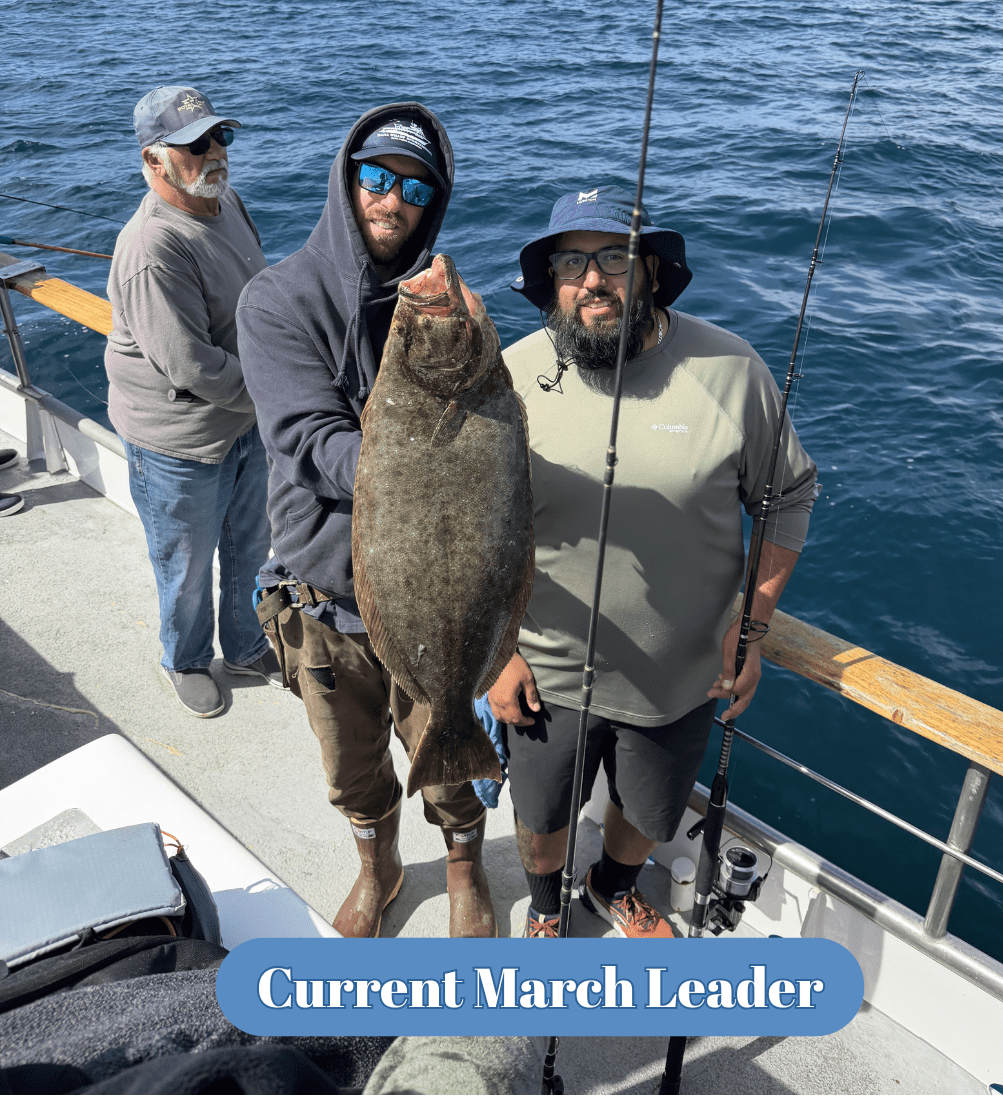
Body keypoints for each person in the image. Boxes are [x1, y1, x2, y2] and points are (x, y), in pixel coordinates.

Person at [490, 186, 818, 938]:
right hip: (540, 666)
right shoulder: (506, 377)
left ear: (651, 274)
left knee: (648, 811)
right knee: (539, 812)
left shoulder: (731, 370)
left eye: (613, 257)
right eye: (571, 262)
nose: (593, 280)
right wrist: (495, 654)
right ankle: (545, 905)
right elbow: (470, 534)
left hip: (683, 672)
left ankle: (614, 885)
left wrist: (753, 629)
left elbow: (787, 497)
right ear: (549, 282)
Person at [235, 105, 497, 940]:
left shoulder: (447, 304)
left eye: (415, 188)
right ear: (348, 180)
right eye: (377, 177)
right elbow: (309, 440)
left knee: (447, 754)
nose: (393, 199)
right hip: (322, 593)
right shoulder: (275, 300)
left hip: (435, 596)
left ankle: (462, 862)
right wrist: (421, 473)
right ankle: (376, 864)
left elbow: (492, 433)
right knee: (350, 767)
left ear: (434, 205)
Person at [105, 86, 278, 720]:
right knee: (184, 564)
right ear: (153, 160)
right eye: (192, 146)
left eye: (218, 138)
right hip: (178, 440)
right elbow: (192, 366)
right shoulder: (152, 250)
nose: (212, 153)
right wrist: (281, 389)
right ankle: (183, 658)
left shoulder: (224, 198)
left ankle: (245, 643)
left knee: (248, 543)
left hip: (244, 419)